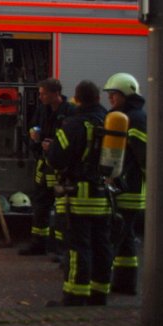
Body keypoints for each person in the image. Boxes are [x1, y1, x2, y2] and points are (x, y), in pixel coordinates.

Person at [45, 80, 110, 306]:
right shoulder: (108, 121)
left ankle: (75, 296)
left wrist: (48, 148)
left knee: (77, 246)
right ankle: (99, 293)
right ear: (99, 99)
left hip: (78, 195)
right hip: (101, 194)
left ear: (77, 99)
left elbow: (55, 158)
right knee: (101, 244)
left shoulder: (72, 125)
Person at [102, 72, 147, 296]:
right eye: (109, 95)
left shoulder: (135, 118)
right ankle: (124, 283)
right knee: (125, 236)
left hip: (130, 186)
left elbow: (142, 154)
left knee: (121, 233)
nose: (110, 99)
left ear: (126, 94)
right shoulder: (124, 115)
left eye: (114, 95)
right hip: (124, 183)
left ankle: (123, 283)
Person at [19, 78, 75, 256]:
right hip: (44, 167)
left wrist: (55, 145)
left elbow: (73, 140)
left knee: (62, 212)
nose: (41, 97)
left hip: (61, 170)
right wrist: (35, 137)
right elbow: (33, 128)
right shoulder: (42, 109)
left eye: (44, 94)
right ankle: (38, 244)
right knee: (40, 206)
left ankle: (61, 251)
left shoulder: (70, 112)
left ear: (55, 93)